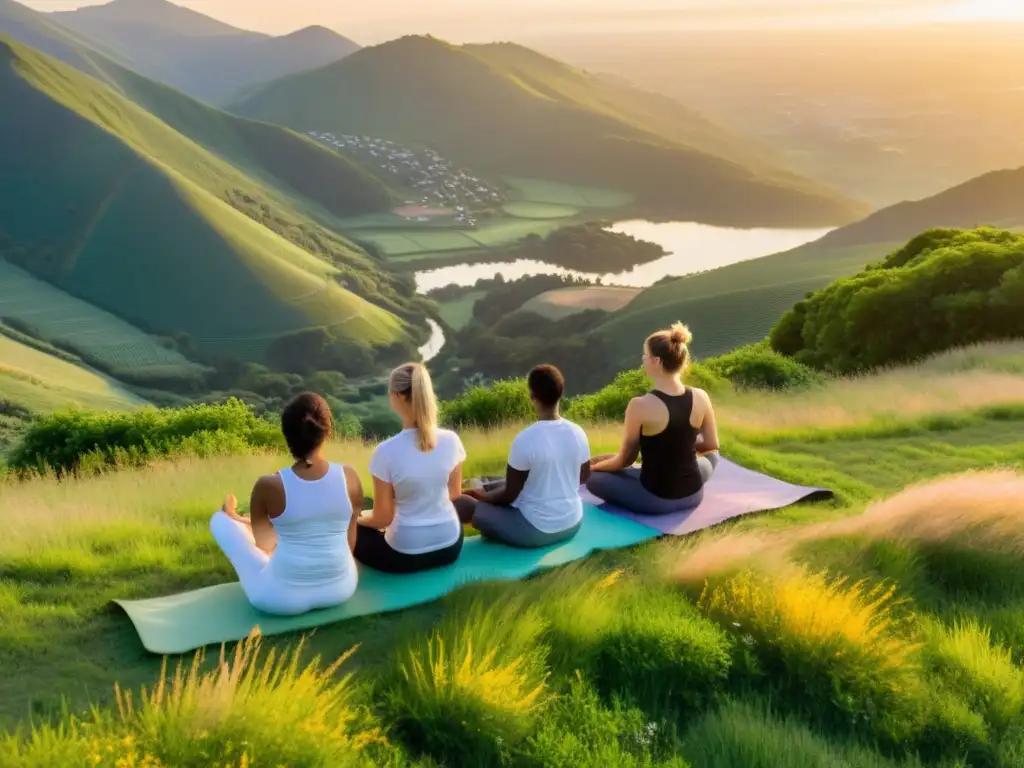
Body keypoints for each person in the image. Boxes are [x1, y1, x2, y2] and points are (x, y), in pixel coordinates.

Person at [210, 392, 360, 615]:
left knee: (220, 522)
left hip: (279, 599)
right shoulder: (349, 476)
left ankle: (231, 517)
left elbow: (265, 545)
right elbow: (350, 540)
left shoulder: (268, 485)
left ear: (286, 435)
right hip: (341, 589)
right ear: (327, 431)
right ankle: (240, 519)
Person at [586, 323, 720, 515]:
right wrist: (683, 442)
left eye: (645, 356)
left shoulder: (640, 405)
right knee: (713, 457)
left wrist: (595, 467)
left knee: (592, 478)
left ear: (656, 361)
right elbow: (712, 444)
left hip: (657, 500)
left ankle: (606, 470)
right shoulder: (701, 396)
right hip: (694, 493)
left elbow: (624, 460)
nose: (643, 361)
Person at [455, 365, 591, 548]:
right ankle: (485, 489)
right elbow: (583, 477)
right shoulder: (578, 432)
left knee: (463, 503)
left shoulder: (525, 439)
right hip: (573, 523)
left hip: (536, 531)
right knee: (501, 483)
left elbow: (510, 495)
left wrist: (483, 498)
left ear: (533, 398)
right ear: (560, 393)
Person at [356, 362, 466, 573]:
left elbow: (383, 518)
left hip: (406, 555)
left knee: (353, 527)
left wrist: (360, 519)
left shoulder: (385, 452)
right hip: (450, 546)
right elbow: (454, 495)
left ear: (398, 396)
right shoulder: (452, 440)